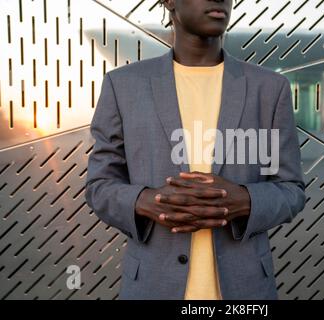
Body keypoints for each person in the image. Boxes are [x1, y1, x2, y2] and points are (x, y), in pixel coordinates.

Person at [85, 0, 306, 300]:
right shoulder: (123, 86)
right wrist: (147, 201)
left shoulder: (269, 88)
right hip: (152, 287)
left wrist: (245, 200)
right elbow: (99, 186)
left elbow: (291, 189)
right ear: (170, 2)